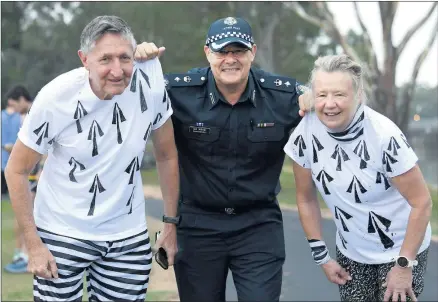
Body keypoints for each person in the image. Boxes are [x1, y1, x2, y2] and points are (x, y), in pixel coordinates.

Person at [134, 16, 309, 302]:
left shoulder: (282, 95)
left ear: (252, 52)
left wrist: (317, 97)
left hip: (257, 225)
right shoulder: (180, 92)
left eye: (238, 51)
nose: (230, 59)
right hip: (197, 224)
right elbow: (124, 90)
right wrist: (139, 58)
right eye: (221, 51)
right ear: (207, 53)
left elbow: (333, 103)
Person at [5, 15, 179, 301]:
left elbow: (167, 155)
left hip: (127, 236)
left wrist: (170, 225)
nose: (116, 70)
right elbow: (17, 170)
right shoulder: (55, 98)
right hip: (61, 232)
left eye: (124, 57)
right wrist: (33, 245)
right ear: (84, 59)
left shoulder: (150, 84)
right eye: (105, 59)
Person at [283, 54, 431, 302]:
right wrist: (322, 257)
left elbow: (422, 202)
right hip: (352, 252)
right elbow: (306, 198)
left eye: (339, 94)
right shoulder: (306, 132)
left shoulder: (384, 137)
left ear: (358, 95)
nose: (330, 104)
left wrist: (404, 266)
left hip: (401, 249)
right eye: (322, 95)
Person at [3, 85, 39, 273]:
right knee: (22, 214)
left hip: (35, 174)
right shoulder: (25, 115)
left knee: (29, 215)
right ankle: (22, 254)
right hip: (29, 173)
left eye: (14, 106)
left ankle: (28, 256)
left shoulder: (37, 112)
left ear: (22, 100)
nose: (14, 111)